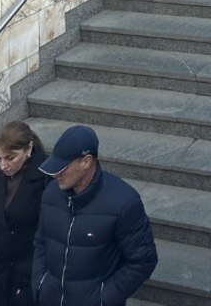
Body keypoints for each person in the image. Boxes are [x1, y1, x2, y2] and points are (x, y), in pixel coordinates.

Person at [33, 124, 157, 306]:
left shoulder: (124, 203)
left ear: (86, 162)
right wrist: (40, 284)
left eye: (63, 167)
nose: (55, 174)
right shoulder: (51, 194)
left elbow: (143, 261)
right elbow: (41, 243)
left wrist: (102, 299)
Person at [0, 121, 47, 305]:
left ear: (28, 149)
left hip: (25, 272)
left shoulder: (46, 176)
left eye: (10, 158)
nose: (3, 165)